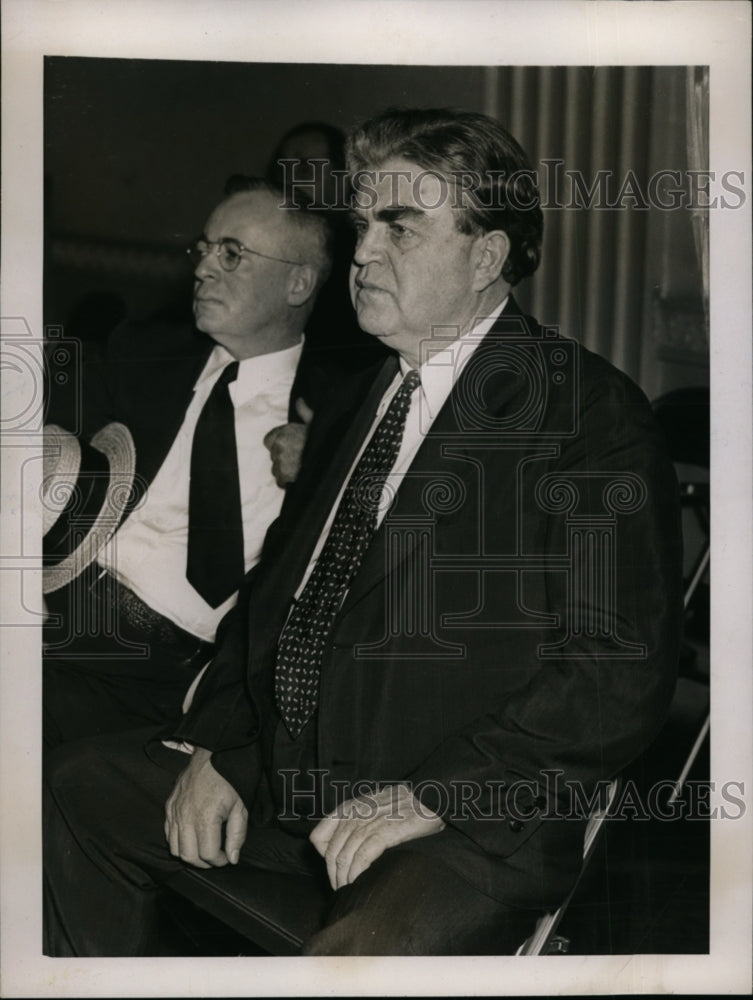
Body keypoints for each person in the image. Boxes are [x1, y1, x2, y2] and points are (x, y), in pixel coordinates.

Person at [44, 107, 683, 956]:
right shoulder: (361, 395)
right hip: (296, 780)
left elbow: (616, 670)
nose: (363, 253)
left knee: (353, 963)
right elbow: (278, 592)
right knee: (78, 789)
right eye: (361, 226)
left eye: (399, 228)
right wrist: (221, 745)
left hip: (460, 820)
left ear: (485, 256)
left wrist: (434, 796)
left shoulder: (587, 416)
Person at [43, 177, 332, 747]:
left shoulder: (332, 418)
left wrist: (323, 471)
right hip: (50, 604)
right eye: (204, 248)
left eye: (232, 254)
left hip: (159, 675)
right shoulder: (140, 352)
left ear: (298, 282)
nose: (203, 268)